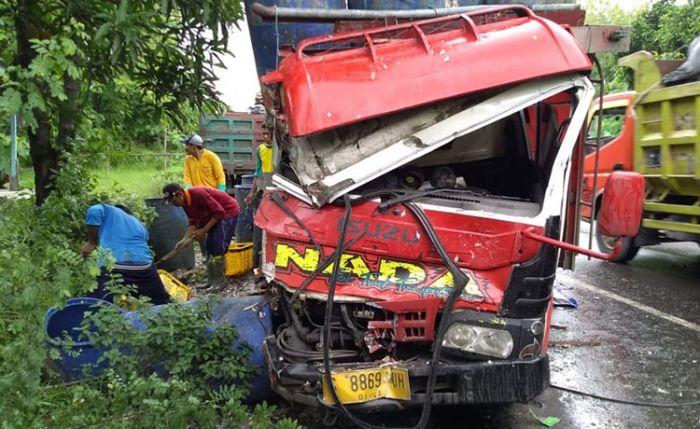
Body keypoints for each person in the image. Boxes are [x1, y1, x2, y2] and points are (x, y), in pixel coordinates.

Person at [81, 203, 170, 304]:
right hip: (144, 269)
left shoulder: (110, 211)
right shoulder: (140, 225)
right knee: (160, 302)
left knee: (96, 306)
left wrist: (91, 243)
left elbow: (94, 210)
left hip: (113, 267)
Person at [162, 183, 240, 292]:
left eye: (174, 202)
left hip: (227, 211)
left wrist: (204, 230)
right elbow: (193, 220)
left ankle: (220, 280)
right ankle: (211, 279)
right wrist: (184, 240)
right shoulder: (184, 203)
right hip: (214, 215)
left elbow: (219, 212)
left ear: (179, 195)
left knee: (218, 246)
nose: (174, 205)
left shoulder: (198, 194)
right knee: (209, 246)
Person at [245, 124, 275, 267]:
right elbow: (257, 172)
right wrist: (252, 192)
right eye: (263, 134)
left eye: (267, 134)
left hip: (276, 193)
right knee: (259, 226)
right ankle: (257, 264)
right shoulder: (260, 150)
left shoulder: (279, 150)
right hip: (263, 191)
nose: (264, 137)